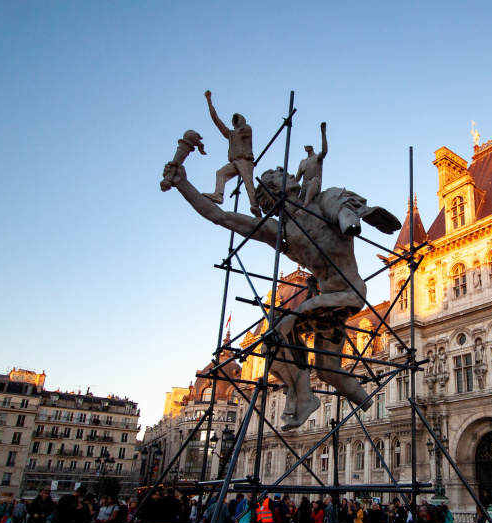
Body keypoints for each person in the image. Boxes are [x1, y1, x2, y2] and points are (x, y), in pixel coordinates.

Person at [164, 158, 400, 431]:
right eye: (277, 173)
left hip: (348, 294)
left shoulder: (324, 202)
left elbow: (352, 216)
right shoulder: (282, 232)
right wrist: (183, 184)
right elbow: (222, 217)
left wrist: (356, 217)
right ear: (272, 190)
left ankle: (305, 395)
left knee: (284, 324)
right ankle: (369, 403)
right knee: (325, 371)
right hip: (322, 306)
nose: (285, 171)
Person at [200, 90, 260, 215]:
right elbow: (217, 121)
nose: (235, 121)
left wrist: (239, 125)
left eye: (236, 119)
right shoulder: (231, 134)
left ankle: (255, 207)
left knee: (248, 184)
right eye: (234, 120)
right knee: (220, 173)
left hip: (245, 160)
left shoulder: (246, 129)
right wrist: (209, 102)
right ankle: (218, 194)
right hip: (235, 162)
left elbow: (243, 130)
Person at [294, 122, 328, 209]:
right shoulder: (302, 162)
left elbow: (324, 151)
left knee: (315, 180)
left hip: (314, 186)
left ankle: (304, 206)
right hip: (304, 188)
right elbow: (296, 179)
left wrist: (323, 133)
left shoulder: (317, 158)